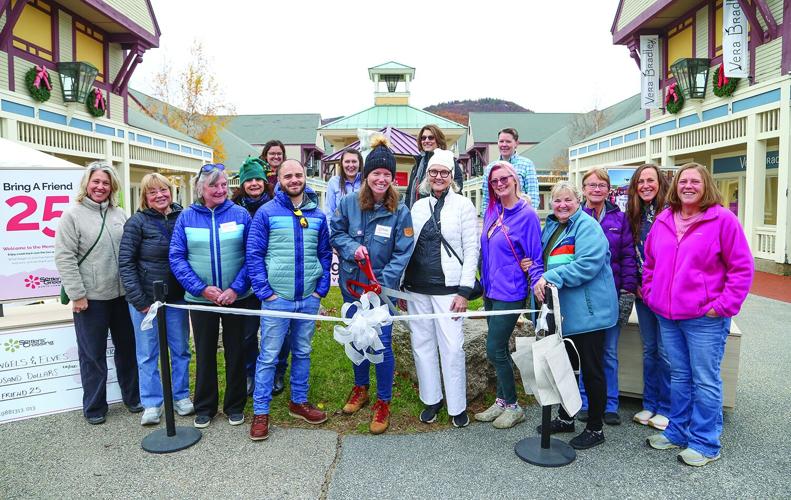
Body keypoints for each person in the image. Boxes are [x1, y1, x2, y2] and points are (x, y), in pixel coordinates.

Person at [643, 163, 753, 467]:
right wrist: (651, 293)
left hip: (706, 318)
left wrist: (723, 305)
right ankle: (677, 431)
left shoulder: (723, 220)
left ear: (706, 186)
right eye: (683, 181)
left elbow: (742, 268)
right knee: (679, 376)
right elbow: (650, 263)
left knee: (705, 380)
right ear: (676, 186)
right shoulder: (665, 218)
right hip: (668, 314)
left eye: (695, 181)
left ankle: (705, 442)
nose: (688, 186)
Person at [330, 135, 415, 434]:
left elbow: (404, 250)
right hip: (352, 286)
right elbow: (335, 233)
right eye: (376, 173)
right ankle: (360, 388)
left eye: (387, 175)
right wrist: (352, 248)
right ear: (366, 176)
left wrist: (383, 283)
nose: (381, 179)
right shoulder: (348, 203)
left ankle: (383, 401)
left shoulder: (400, 211)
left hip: (380, 291)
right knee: (357, 337)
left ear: (392, 178)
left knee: (382, 343)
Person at [247, 159, 332, 440]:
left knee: (303, 351)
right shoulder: (266, 213)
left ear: (305, 177)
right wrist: (264, 291)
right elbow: (254, 255)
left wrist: (320, 289)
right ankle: (261, 412)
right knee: (269, 355)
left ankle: (299, 401)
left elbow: (324, 253)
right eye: (288, 176)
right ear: (279, 179)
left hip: (308, 297)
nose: (294, 180)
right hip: (277, 298)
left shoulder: (317, 214)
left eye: (298, 175)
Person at [532, 180, 618, 450]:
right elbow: (544, 258)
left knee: (592, 371)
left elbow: (587, 265)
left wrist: (549, 277)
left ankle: (595, 428)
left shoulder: (587, 226)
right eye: (557, 201)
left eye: (568, 200)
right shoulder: (555, 227)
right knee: (566, 368)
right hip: (566, 312)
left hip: (590, 313)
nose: (562, 205)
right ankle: (566, 417)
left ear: (578, 201)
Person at [55, 161, 141, 425]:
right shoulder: (72, 215)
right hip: (89, 299)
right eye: (96, 182)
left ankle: (133, 398)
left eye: (105, 183)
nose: (100, 187)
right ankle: (94, 406)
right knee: (92, 355)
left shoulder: (121, 214)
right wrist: (78, 294)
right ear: (87, 184)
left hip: (122, 297)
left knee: (127, 350)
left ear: (112, 186)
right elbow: (64, 257)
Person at [169, 163, 252, 429]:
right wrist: (201, 288)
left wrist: (236, 288)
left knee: (236, 352)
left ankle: (235, 405)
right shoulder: (186, 217)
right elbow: (177, 257)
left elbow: (253, 256)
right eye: (213, 185)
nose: (220, 190)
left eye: (224, 185)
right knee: (204, 353)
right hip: (201, 299)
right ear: (201, 189)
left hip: (236, 298)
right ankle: (205, 406)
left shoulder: (240, 214)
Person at [402, 149, 479, 428]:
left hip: (449, 289)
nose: (438, 177)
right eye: (433, 172)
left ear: (451, 176)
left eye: (443, 172)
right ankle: (431, 398)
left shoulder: (463, 206)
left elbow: (472, 250)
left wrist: (464, 290)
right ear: (426, 176)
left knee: (452, 347)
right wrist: (401, 283)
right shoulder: (418, 207)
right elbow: (406, 247)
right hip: (416, 287)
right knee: (422, 344)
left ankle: (457, 404)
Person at [119, 173, 193, 425]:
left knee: (180, 349)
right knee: (147, 353)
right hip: (146, 301)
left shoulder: (183, 217)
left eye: (164, 190)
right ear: (145, 197)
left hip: (176, 299)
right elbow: (126, 264)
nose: (160, 195)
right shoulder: (136, 222)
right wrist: (139, 300)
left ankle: (181, 395)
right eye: (153, 192)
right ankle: (152, 402)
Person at [474, 161, 543, 429]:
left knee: (493, 349)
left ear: (515, 180)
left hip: (511, 292)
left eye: (504, 179)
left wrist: (536, 283)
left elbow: (535, 256)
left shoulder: (527, 216)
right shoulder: (493, 209)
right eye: (494, 181)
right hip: (491, 290)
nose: (500, 184)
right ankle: (501, 400)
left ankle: (514, 406)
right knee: (498, 348)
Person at [577, 168, 637, 426]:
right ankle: (585, 401)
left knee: (609, 352)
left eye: (601, 184)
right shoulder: (576, 216)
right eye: (591, 185)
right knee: (585, 353)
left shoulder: (619, 219)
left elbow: (627, 257)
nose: (596, 189)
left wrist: (628, 289)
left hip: (611, 295)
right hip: (583, 296)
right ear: (584, 189)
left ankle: (610, 403)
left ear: (608, 189)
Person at [626, 164, 672, 431]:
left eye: (650, 180)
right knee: (650, 349)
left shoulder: (670, 213)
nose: (645, 185)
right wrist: (636, 284)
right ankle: (651, 402)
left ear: (660, 183)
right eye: (641, 181)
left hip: (665, 294)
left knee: (665, 352)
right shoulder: (634, 214)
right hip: (643, 293)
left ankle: (667, 407)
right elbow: (630, 253)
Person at [232, 157, 274, 396]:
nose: (255, 184)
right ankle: (250, 372)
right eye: (250, 180)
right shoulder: (234, 207)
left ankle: (276, 371)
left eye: (259, 179)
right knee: (247, 333)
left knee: (275, 331)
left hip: (272, 277)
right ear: (243, 183)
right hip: (245, 279)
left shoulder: (277, 204)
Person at [258, 140, 291, 395]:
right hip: (262, 272)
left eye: (279, 154)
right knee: (263, 333)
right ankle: (258, 378)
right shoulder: (256, 188)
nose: (275, 157)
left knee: (286, 334)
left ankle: (280, 372)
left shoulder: (288, 187)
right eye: (272, 154)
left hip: (284, 273)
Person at [480, 128, 539, 215]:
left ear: (516, 143)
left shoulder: (527, 165)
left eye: (508, 141)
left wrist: (527, 217)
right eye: (501, 141)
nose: (504, 144)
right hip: (498, 219)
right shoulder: (490, 168)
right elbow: (486, 200)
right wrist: (488, 220)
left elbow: (533, 197)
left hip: (521, 216)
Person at [405, 125, 464, 209]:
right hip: (416, 213)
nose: (426, 140)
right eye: (423, 138)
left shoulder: (449, 162)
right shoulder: (417, 165)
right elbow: (409, 192)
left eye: (431, 137)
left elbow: (457, 189)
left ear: (438, 140)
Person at [325, 148, 363, 217]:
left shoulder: (366, 181)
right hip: (340, 226)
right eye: (347, 161)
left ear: (360, 163)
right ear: (341, 164)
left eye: (354, 161)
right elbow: (329, 212)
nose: (351, 165)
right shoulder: (334, 182)